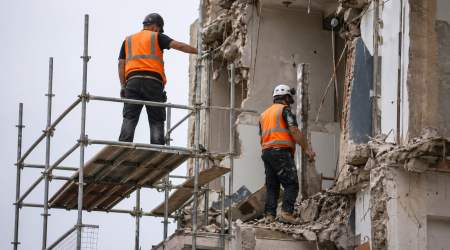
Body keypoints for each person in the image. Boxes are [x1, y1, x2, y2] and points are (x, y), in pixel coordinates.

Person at [118, 13, 199, 144]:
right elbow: (178, 45)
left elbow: (121, 64)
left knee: (130, 118)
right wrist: (199, 51)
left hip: (132, 83)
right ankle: (157, 148)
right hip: (153, 83)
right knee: (156, 119)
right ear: (155, 26)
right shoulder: (156, 36)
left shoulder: (128, 40)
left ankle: (123, 145)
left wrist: (123, 86)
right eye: (160, 29)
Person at [259, 84, 315, 225]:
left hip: (266, 152)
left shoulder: (263, 115)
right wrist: (307, 150)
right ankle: (286, 213)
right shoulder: (286, 110)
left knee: (272, 187)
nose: (290, 101)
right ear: (287, 97)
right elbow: (294, 130)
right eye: (290, 98)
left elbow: (261, 138)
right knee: (291, 184)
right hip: (281, 151)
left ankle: (269, 216)